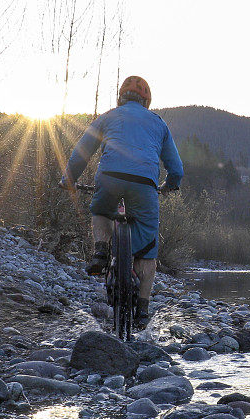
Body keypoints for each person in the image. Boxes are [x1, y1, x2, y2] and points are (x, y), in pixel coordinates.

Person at [59, 75, 183, 329]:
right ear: (147, 100)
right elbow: (177, 169)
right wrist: (169, 186)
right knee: (148, 247)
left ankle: (100, 251)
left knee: (101, 209)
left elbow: (81, 152)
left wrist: (69, 179)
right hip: (145, 185)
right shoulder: (159, 123)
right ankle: (143, 309)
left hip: (110, 177)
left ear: (120, 96)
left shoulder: (108, 116)